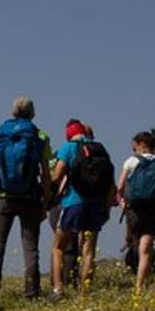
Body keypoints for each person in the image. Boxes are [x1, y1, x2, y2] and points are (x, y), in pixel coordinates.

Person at [0, 97, 54, 311]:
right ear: (33, 114)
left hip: (5, 198)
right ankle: (32, 295)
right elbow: (47, 174)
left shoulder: (0, 134)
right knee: (30, 247)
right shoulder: (39, 135)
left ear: (13, 112)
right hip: (31, 197)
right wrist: (45, 201)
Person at [50, 120, 115, 299]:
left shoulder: (68, 147)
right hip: (96, 205)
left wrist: (52, 180)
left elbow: (58, 174)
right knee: (88, 251)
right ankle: (84, 293)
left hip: (73, 202)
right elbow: (111, 184)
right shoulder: (100, 149)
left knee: (58, 247)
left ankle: (58, 289)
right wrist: (107, 210)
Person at [116, 129, 155, 294]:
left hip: (135, 210)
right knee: (146, 248)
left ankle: (133, 270)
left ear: (140, 145)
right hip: (153, 210)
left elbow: (120, 187)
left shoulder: (132, 161)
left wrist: (122, 203)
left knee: (136, 243)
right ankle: (140, 286)